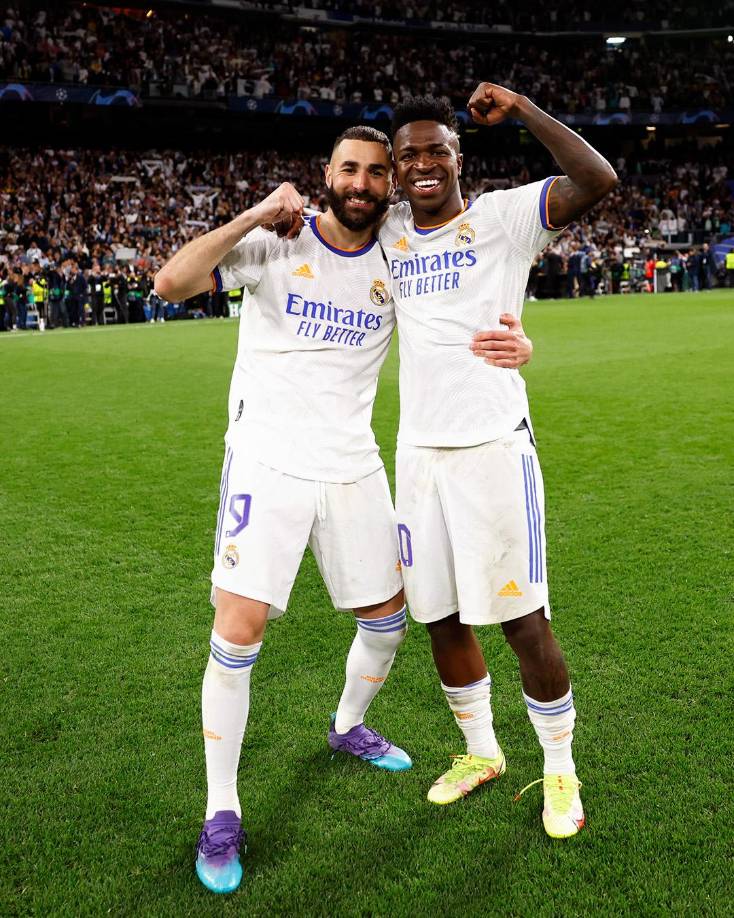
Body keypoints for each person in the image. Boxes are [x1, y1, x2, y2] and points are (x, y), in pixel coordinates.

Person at [154, 126, 527, 894]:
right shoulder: (273, 242)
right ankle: (220, 808)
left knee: (388, 619)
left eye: (375, 172)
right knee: (239, 627)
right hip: (266, 457)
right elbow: (171, 284)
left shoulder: (396, 249)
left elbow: (464, 308)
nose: (362, 183)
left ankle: (347, 725)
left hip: (353, 463)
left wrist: (524, 345)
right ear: (326, 174)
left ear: (390, 185)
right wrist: (255, 213)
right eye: (349, 169)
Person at [383, 87, 616, 839]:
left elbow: (597, 179)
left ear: (459, 156)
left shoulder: (503, 219)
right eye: (408, 154)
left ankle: (558, 767)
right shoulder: (386, 234)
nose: (423, 164)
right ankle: (482, 753)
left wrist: (520, 107)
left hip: (492, 447)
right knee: (441, 618)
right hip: (418, 454)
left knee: (522, 620)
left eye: (436, 150)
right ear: (394, 168)